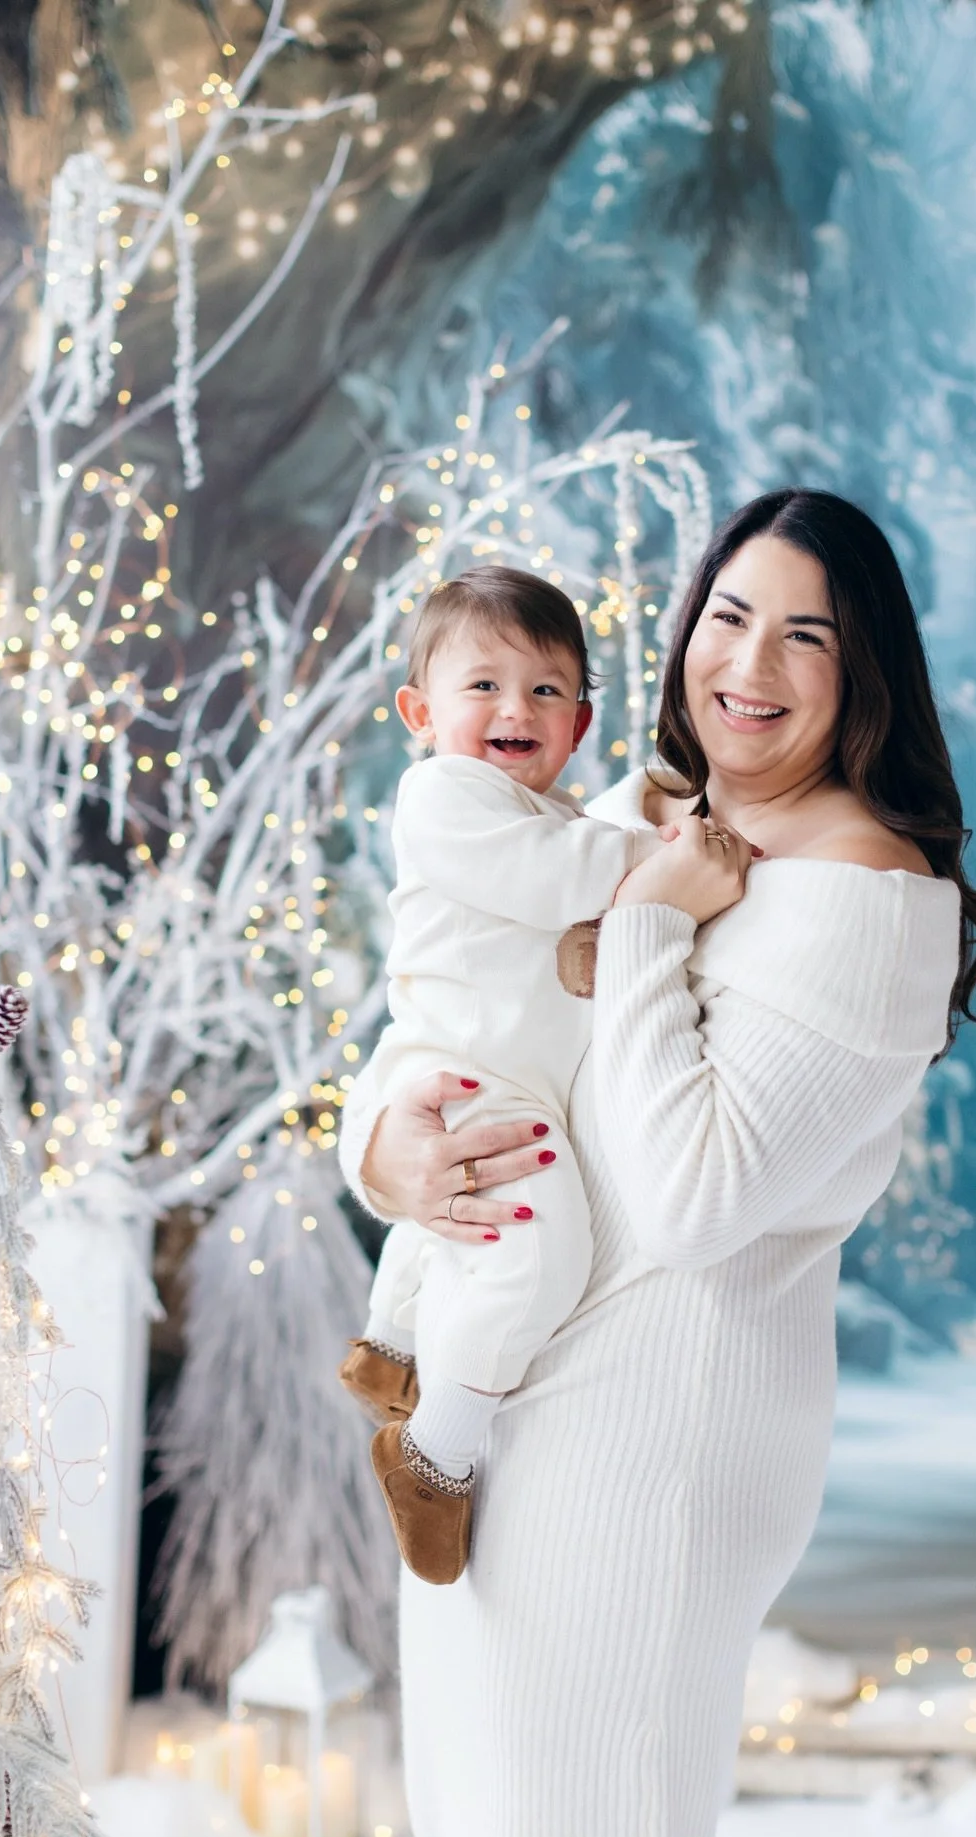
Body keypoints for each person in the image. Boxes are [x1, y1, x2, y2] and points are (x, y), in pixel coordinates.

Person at [339, 489, 976, 1837]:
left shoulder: (863, 900)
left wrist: (650, 916)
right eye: (726, 615)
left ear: (865, 676)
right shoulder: (672, 817)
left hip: (645, 1442)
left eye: (803, 636)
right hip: (505, 1411)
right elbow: (468, 993)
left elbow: (694, 1193)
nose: (748, 664)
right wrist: (383, 1149)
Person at [340, 565, 668, 1584]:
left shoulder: (556, 812)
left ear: (580, 720)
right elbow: (552, 880)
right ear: (419, 710)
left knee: (460, 1228)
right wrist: (665, 856)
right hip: (475, 1076)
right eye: (482, 685)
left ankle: (394, 1344)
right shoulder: (443, 793)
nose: (515, 708)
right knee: (538, 1251)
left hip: (484, 1069)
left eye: (546, 688)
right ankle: (435, 1449)